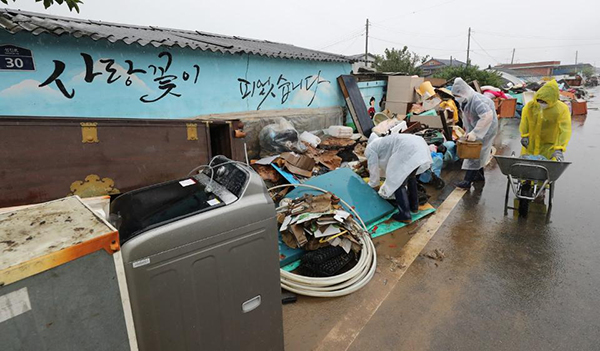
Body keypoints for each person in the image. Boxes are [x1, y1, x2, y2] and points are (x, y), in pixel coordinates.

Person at [365, 133, 433, 222]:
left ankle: (405, 214)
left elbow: (373, 167)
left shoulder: (370, 148)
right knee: (411, 178)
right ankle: (414, 206)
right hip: (419, 144)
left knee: (397, 181)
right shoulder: (383, 143)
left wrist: (373, 185)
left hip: (408, 147)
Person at [451, 78, 499, 189]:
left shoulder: (477, 100)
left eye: (458, 95)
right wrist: (467, 129)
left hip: (486, 129)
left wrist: (476, 133)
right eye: (455, 95)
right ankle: (479, 176)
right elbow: (468, 116)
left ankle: (467, 182)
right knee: (479, 154)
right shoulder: (466, 100)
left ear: (464, 92)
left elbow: (487, 116)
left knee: (474, 154)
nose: (457, 98)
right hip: (476, 127)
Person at [520, 80, 571, 161]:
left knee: (546, 168)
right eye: (539, 100)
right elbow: (524, 121)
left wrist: (559, 148)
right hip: (530, 145)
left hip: (549, 146)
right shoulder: (531, 106)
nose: (541, 103)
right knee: (527, 166)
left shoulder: (561, 109)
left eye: (544, 102)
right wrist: (525, 135)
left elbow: (565, 129)